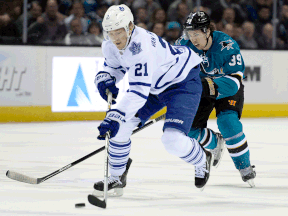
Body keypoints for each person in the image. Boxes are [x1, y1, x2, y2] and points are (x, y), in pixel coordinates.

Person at [91, 4, 214, 198]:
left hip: (181, 83)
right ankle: (116, 176)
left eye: (119, 32)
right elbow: (115, 67)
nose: (115, 39)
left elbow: (138, 93)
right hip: (154, 85)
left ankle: (202, 159)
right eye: (110, 33)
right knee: (121, 126)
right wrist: (106, 78)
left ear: (130, 26)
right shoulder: (110, 43)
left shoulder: (142, 47)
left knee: (172, 140)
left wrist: (114, 116)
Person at [175, 11, 256, 187]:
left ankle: (244, 166)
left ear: (207, 31)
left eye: (196, 33)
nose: (193, 38)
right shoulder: (184, 45)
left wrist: (205, 85)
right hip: (201, 88)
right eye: (190, 33)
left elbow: (234, 82)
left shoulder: (226, 45)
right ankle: (215, 141)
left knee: (227, 122)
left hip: (226, 88)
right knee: (188, 129)